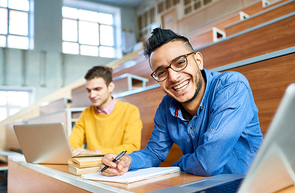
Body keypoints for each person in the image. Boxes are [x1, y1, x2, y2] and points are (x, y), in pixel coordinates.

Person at [100, 28, 263, 176]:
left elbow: (208, 164)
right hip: (201, 187)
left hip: (251, 186)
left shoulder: (231, 87)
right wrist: (127, 160)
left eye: (179, 63)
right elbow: (155, 152)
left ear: (198, 61)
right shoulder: (166, 106)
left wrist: (179, 164)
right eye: (162, 72)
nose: (173, 77)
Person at [69, 65, 142, 156]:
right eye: (89, 90)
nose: (92, 95)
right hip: (92, 167)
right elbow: (73, 142)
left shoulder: (130, 111)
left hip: (117, 166)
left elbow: (132, 147)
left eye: (97, 89)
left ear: (110, 87)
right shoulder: (86, 113)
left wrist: (95, 153)